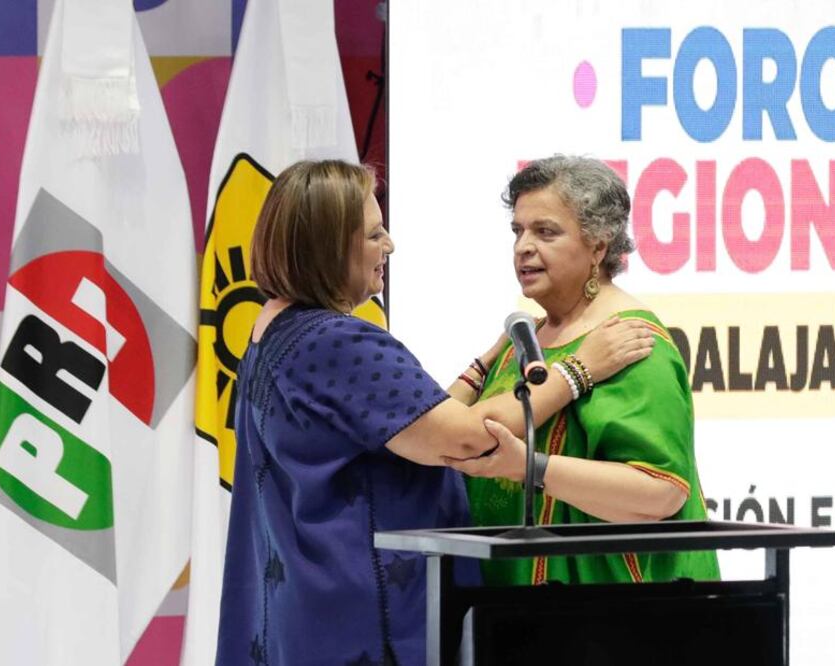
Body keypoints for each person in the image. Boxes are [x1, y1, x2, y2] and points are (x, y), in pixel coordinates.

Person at [215, 159, 654, 666]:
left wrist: (481, 366)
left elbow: (406, 428)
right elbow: (464, 438)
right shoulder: (338, 340)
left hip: (307, 615)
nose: (390, 245)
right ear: (328, 246)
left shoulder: (274, 329)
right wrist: (580, 370)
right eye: (374, 233)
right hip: (368, 625)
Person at [447, 155, 720, 586]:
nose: (523, 246)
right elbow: (461, 433)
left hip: (607, 617)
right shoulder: (528, 337)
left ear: (598, 246)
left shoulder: (630, 340)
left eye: (546, 232)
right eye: (518, 230)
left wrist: (532, 467)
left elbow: (659, 491)